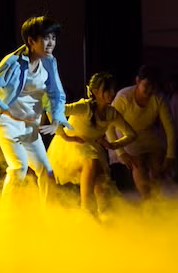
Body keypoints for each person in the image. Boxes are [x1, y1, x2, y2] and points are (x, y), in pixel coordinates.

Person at [0, 15, 69, 207]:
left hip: (29, 123)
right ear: (31, 41)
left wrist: (56, 120)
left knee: (46, 171)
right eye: (46, 38)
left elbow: (57, 93)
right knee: (19, 167)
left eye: (53, 38)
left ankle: (49, 215)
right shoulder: (13, 62)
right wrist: (6, 110)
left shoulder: (49, 61)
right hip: (6, 122)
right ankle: (6, 217)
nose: (51, 43)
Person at [49, 72, 136, 220]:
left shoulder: (111, 113)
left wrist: (112, 145)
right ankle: (87, 210)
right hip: (71, 146)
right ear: (95, 91)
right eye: (107, 89)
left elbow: (131, 134)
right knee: (91, 162)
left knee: (101, 183)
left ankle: (103, 217)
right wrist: (64, 136)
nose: (112, 93)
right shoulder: (84, 107)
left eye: (113, 89)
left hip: (91, 148)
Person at [108, 65, 177, 199]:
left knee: (158, 165)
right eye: (147, 85)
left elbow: (170, 129)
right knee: (138, 164)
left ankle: (155, 198)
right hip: (126, 135)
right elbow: (110, 126)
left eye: (154, 86)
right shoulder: (124, 96)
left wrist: (170, 155)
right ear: (138, 81)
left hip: (147, 134)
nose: (150, 90)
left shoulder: (158, 99)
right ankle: (147, 198)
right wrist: (121, 153)